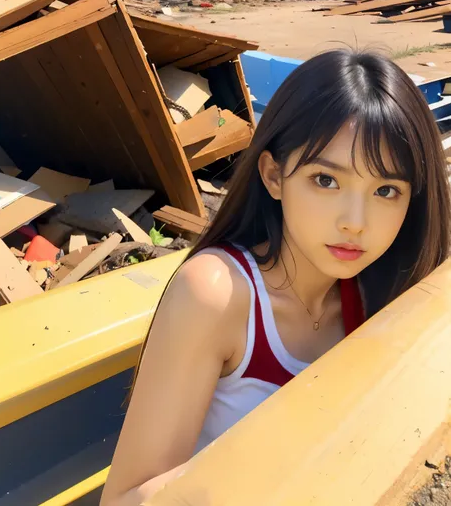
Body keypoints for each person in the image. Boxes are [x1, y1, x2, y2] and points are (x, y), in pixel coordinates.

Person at [101, 50, 450, 506]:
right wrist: (282, 448)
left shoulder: (379, 290)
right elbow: (124, 499)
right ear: (273, 175)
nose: (355, 221)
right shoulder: (218, 296)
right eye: (326, 180)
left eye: (386, 190)